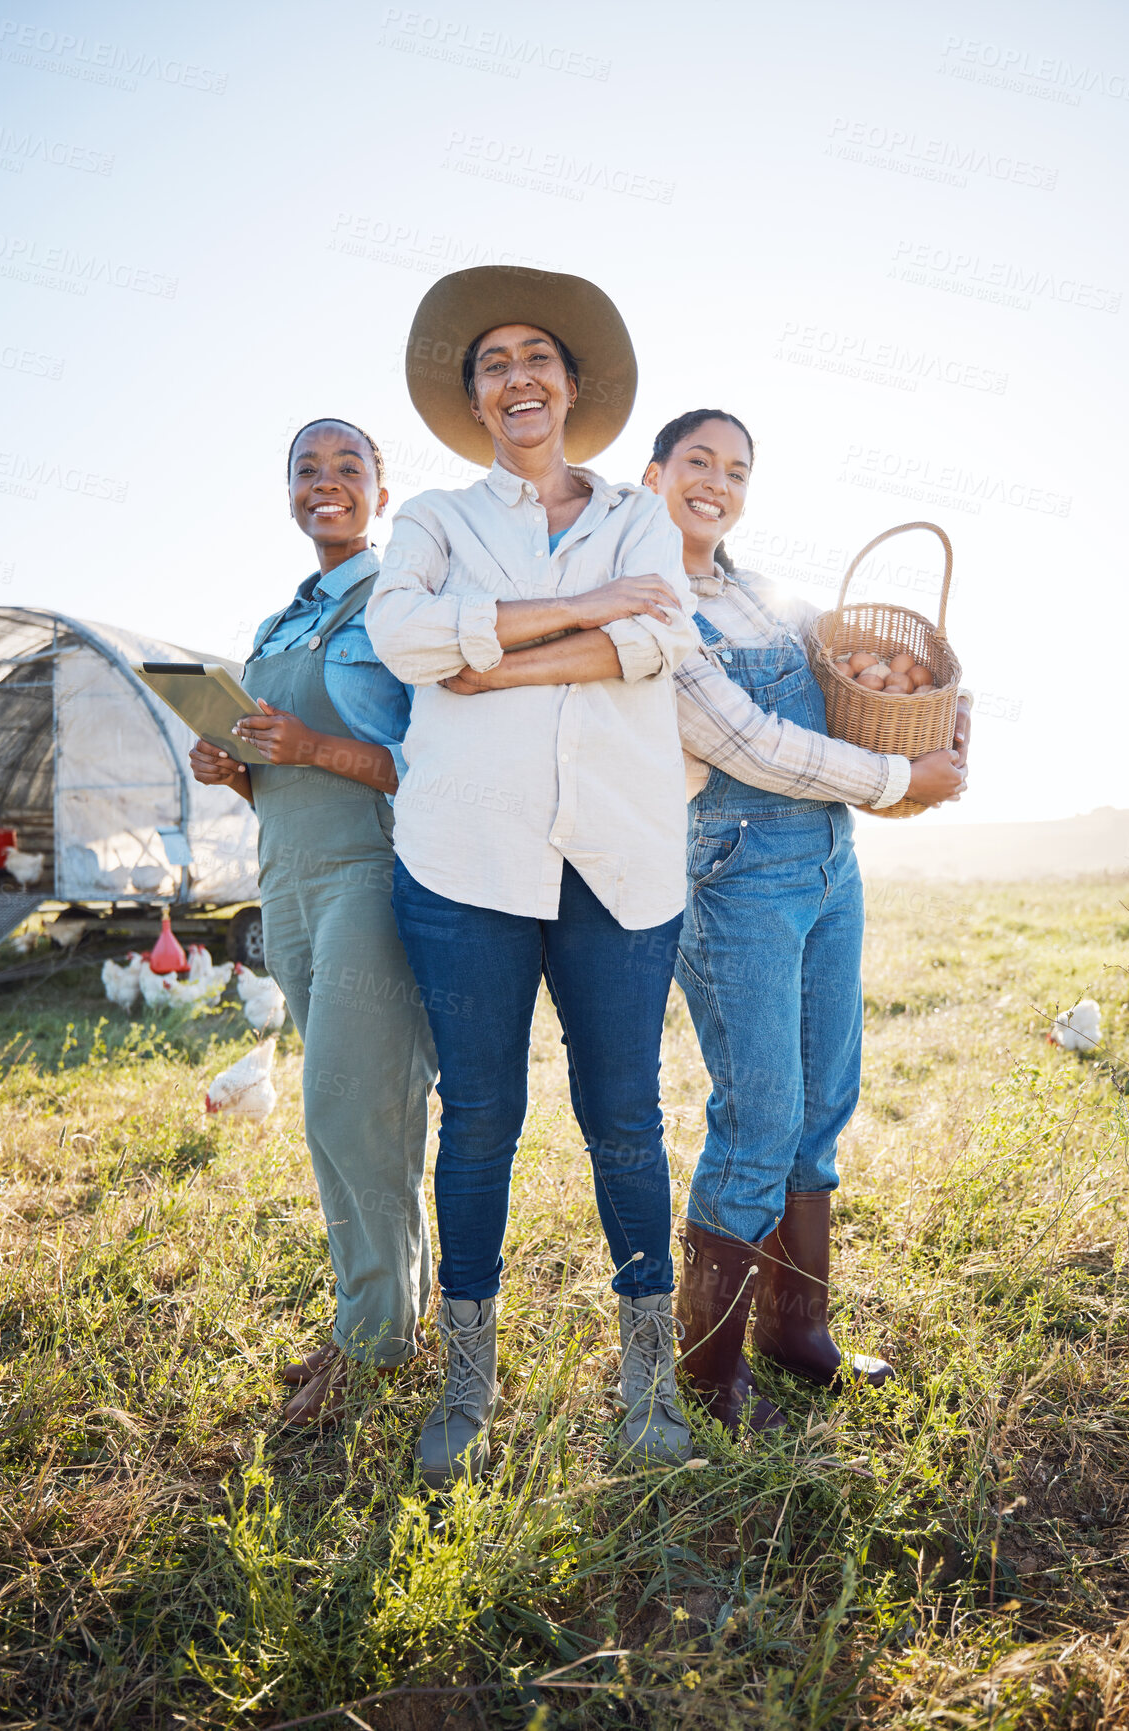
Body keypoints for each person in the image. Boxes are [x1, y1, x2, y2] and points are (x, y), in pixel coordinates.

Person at [365, 266, 701, 1485]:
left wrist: (496, 660)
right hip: (466, 858)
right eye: (493, 362)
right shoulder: (439, 522)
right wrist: (590, 610)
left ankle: (650, 1378)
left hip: (618, 856)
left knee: (623, 1119)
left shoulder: (638, 511)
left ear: (570, 385)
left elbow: (666, 634)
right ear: (475, 398)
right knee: (482, 1117)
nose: (517, 376)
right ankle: (468, 1382)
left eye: (536, 358)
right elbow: (399, 635)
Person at [643, 409, 970, 1437]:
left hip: (830, 862)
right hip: (735, 871)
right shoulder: (649, 604)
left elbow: (845, 697)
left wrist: (934, 722)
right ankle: (707, 1373)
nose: (718, 481)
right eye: (698, 461)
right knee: (759, 1119)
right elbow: (747, 743)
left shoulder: (766, 599)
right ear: (653, 475)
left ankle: (797, 1335)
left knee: (825, 1101)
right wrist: (896, 774)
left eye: (737, 469)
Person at [189, 418, 436, 1427]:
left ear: (382, 492)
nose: (326, 484)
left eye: (349, 469)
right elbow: (280, 777)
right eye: (307, 469)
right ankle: (364, 1321)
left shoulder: (403, 607)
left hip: (371, 874)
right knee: (330, 1124)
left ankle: (380, 1349)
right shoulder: (273, 629)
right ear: (288, 491)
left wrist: (311, 746)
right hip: (283, 876)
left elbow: (440, 766)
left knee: (353, 1104)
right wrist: (242, 767)